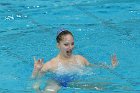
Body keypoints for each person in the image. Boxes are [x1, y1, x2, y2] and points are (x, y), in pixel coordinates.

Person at [31, 29, 118, 93]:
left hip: (76, 82)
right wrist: (36, 70)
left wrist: (111, 66)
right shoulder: (50, 64)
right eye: (66, 44)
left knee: (103, 87)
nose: (70, 47)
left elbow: (94, 67)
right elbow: (34, 80)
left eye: (72, 44)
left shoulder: (80, 59)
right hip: (57, 81)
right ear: (58, 45)